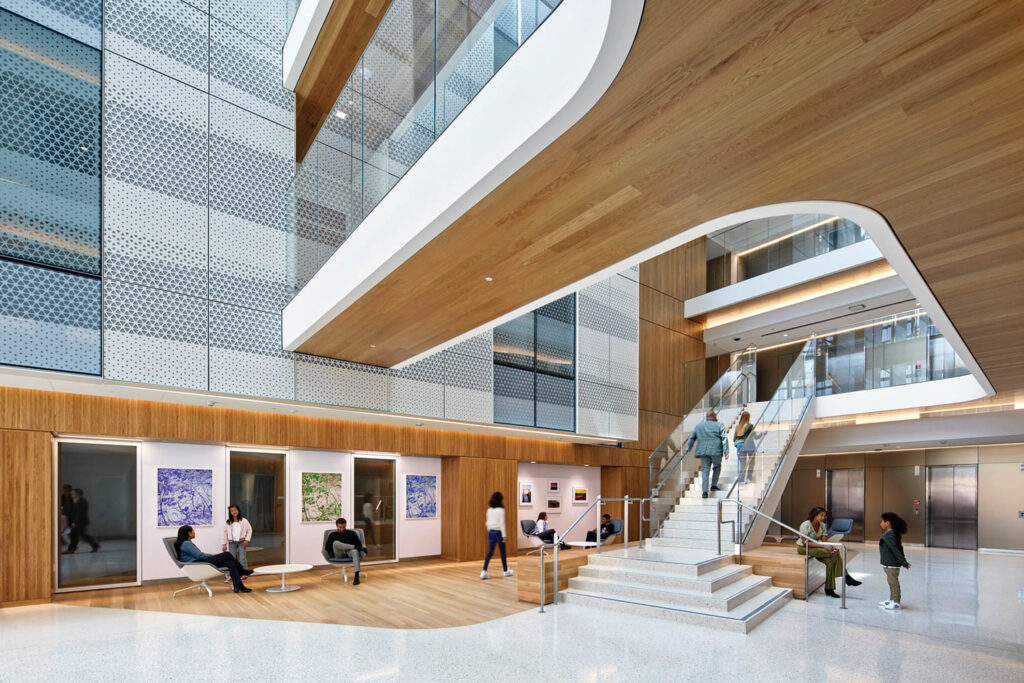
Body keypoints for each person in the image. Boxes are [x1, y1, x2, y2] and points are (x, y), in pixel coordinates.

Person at [796, 506, 861, 597]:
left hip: (816, 547)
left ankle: (829, 589)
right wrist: (824, 546)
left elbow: (824, 541)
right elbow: (805, 543)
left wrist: (832, 547)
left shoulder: (822, 525)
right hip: (804, 548)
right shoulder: (806, 524)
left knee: (831, 561)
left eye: (824, 516)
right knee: (834, 555)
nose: (823, 518)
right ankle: (846, 577)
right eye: (821, 515)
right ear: (814, 515)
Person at [174, 525, 253, 593]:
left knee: (230, 563)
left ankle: (238, 585)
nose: (194, 532)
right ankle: (242, 571)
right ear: (189, 533)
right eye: (193, 531)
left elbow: (199, 555)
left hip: (198, 562)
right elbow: (200, 556)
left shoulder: (185, 543)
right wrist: (212, 555)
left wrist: (213, 555)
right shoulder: (186, 543)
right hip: (198, 563)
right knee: (227, 554)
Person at [685, 410, 730, 498]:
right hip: (716, 450)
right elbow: (724, 438)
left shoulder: (699, 426)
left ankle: (704, 492)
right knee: (717, 467)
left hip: (703, 451)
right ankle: (713, 485)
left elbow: (691, 438)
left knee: (705, 470)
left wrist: (688, 448)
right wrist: (726, 451)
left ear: (706, 417)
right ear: (714, 417)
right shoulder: (719, 425)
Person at [879, 512, 911, 610]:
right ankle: (892, 599)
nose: (880, 524)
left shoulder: (890, 534)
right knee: (891, 582)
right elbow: (899, 548)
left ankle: (896, 602)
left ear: (887, 523)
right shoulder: (893, 533)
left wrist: (904, 562)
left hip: (891, 564)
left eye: (881, 521)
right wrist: (903, 561)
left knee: (893, 583)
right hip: (889, 563)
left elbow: (895, 549)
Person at [324, 517, 368, 585]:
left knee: (355, 551)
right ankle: (353, 547)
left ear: (346, 525)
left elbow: (359, 544)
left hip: (349, 552)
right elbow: (327, 547)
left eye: (343, 527)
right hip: (339, 553)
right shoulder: (332, 535)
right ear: (337, 526)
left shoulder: (352, 533)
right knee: (335, 543)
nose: (342, 529)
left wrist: (352, 547)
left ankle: (356, 576)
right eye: (340, 527)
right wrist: (339, 547)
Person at [481, 491, 513, 580]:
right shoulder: (501, 510)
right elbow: (502, 523)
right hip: (499, 533)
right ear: (500, 500)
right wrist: (504, 535)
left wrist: (490, 531)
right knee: (502, 553)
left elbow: (487, 523)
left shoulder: (489, 510)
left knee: (490, 552)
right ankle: (506, 571)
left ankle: (484, 571)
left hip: (491, 532)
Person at [221, 504, 253, 582]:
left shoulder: (244, 521)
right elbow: (224, 533)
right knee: (231, 559)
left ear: (238, 511)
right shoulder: (228, 522)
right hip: (232, 542)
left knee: (242, 558)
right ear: (230, 512)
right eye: (232, 511)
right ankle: (230, 575)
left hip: (242, 541)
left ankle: (244, 574)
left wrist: (246, 540)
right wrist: (224, 544)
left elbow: (250, 530)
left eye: (235, 510)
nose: (234, 512)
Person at [62, 488, 100, 554]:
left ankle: (71, 549)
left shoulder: (82, 501)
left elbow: (80, 513)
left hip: (80, 522)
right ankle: (95, 545)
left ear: (78, 494)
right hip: (77, 522)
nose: (72, 495)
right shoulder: (75, 500)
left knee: (75, 535)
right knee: (79, 535)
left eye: (73, 493)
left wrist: (75, 522)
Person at [733, 411, 754, 483]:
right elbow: (755, 436)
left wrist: (738, 444)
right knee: (751, 462)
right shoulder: (750, 426)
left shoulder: (737, 427)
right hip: (749, 445)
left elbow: (734, 439)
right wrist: (763, 434)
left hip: (740, 446)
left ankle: (741, 480)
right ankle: (748, 478)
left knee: (742, 464)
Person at [59, 484, 73, 548]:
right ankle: (62, 541)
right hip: (64, 515)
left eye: (69, 490)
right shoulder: (61, 497)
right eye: (66, 490)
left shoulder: (72, 497)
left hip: (71, 515)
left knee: (70, 530)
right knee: (62, 529)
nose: (67, 491)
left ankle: (71, 543)